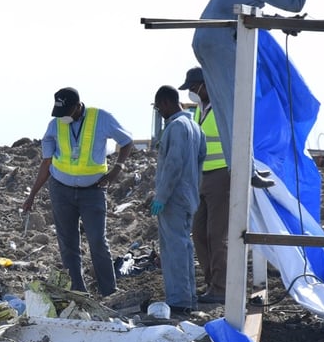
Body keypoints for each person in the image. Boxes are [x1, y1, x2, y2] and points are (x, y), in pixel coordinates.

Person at [191, 0, 310, 187]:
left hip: (206, 40)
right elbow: (295, 3)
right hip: (219, 42)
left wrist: (283, 24)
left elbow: (249, 15)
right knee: (238, 106)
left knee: (227, 107)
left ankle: (243, 166)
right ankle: (244, 169)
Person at [22, 87, 134, 297]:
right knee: (68, 244)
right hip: (61, 190)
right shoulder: (55, 125)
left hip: (93, 191)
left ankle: (109, 293)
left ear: (77, 106)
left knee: (97, 241)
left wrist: (116, 170)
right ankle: (78, 293)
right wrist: (32, 195)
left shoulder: (101, 118)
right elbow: (46, 162)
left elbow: (126, 141)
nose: (62, 117)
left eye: (65, 112)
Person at [150, 85, 205, 314]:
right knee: (184, 248)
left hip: (174, 198)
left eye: (159, 107)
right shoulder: (195, 127)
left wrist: (161, 196)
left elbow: (173, 165)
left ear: (165, 102)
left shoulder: (175, 127)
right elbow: (200, 161)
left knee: (174, 250)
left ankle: (178, 300)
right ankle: (188, 297)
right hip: (189, 196)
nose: (160, 112)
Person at [180, 68, 228, 305]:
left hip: (222, 175)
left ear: (206, 85)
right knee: (199, 233)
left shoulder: (223, 107)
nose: (192, 93)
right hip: (202, 176)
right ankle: (211, 284)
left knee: (216, 235)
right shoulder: (201, 109)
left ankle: (221, 288)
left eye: (194, 88)